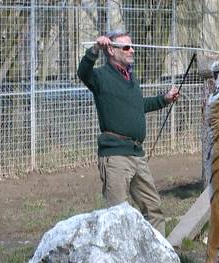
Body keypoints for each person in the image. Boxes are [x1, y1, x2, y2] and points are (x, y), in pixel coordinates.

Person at [77, 30, 180, 235]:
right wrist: (95, 49)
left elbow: (137, 106)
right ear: (112, 51)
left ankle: (157, 260)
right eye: (126, 47)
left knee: (154, 210)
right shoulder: (100, 77)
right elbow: (83, 72)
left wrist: (164, 99)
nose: (132, 50)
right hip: (115, 157)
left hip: (136, 155)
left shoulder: (130, 78)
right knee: (116, 218)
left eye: (131, 46)